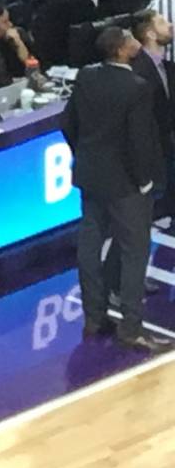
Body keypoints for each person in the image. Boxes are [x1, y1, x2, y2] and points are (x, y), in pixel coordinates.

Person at [63, 25, 175, 350]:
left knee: (89, 243)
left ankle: (93, 317)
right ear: (122, 50)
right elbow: (140, 141)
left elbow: (67, 123)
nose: (135, 43)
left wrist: (84, 156)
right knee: (134, 251)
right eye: (130, 40)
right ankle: (131, 326)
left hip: (90, 176)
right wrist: (144, 180)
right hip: (126, 183)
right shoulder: (137, 87)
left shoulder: (86, 76)